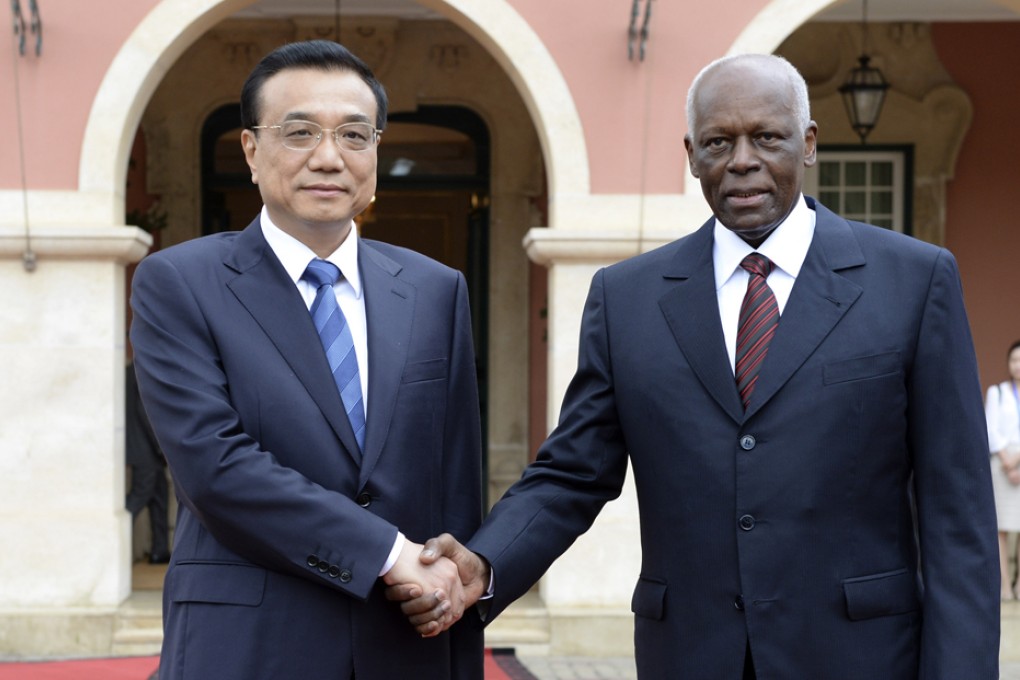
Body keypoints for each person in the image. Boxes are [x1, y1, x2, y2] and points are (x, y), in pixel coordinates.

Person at [389, 53, 999, 678]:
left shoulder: (914, 281)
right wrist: (485, 564)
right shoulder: (626, 298)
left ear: (808, 143)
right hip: (689, 655)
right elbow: (571, 474)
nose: (741, 160)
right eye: (718, 141)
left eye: (766, 136)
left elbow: (959, 516)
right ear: (690, 154)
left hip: (862, 657)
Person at [130, 40, 484, 680]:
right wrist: (385, 552)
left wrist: (451, 601)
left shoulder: (436, 289)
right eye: (299, 133)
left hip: (406, 642)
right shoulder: (179, 283)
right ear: (250, 150)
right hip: (248, 644)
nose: (329, 157)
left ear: (375, 151)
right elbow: (216, 468)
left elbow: (456, 482)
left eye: (354, 133)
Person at [125, 360, 170, 564]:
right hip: (147, 450)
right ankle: (113, 545)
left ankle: (159, 551)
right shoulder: (139, 371)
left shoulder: (127, 372)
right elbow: (146, 414)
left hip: (143, 449)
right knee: (139, 497)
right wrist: (161, 447)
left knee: (159, 499)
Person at [987, 340, 1020, 600]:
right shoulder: (997, 392)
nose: (1017, 365)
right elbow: (990, 429)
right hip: (1001, 464)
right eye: (1014, 360)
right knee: (1001, 528)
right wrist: (1007, 461)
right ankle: (1005, 584)